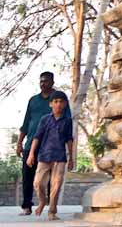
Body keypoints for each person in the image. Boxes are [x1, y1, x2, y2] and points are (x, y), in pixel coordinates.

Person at [16, 72, 64, 216]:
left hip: (50, 146)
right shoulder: (33, 100)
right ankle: (27, 206)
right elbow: (26, 123)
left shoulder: (58, 99)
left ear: (52, 82)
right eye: (41, 81)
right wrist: (20, 143)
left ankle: (50, 207)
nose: (43, 83)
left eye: (46, 81)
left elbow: (65, 121)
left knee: (50, 178)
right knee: (27, 176)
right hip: (31, 144)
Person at [25, 90, 75, 221]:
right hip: (44, 156)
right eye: (55, 101)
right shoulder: (45, 119)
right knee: (38, 183)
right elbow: (37, 137)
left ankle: (52, 211)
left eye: (61, 102)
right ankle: (42, 201)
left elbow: (69, 139)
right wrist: (31, 154)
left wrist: (71, 158)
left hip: (60, 157)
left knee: (56, 185)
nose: (58, 104)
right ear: (51, 104)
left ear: (64, 104)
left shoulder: (67, 121)